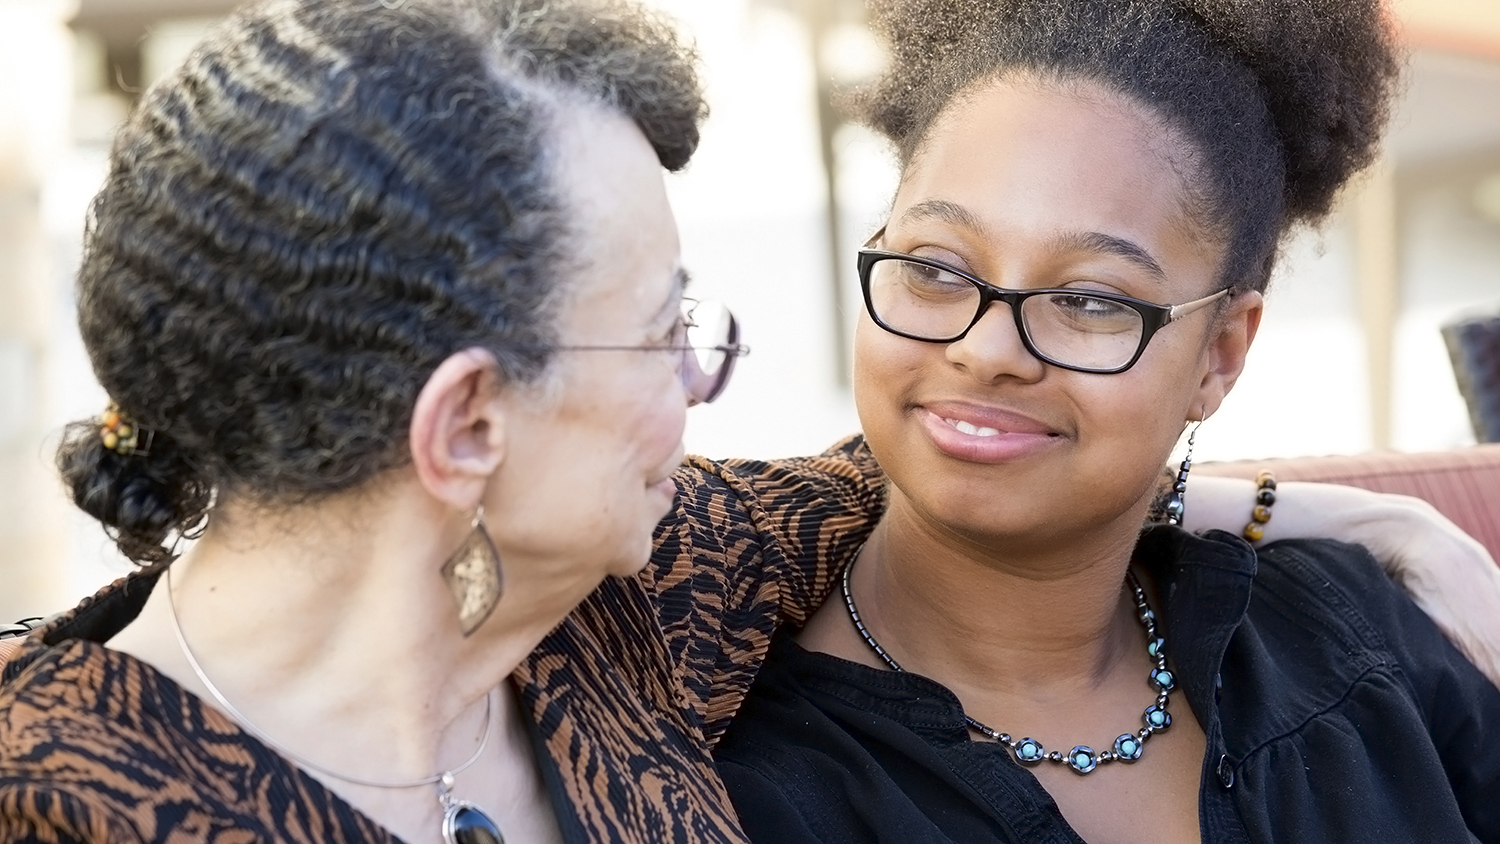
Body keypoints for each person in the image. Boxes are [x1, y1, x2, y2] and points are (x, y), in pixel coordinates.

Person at [0, 1, 1496, 844]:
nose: (706, 385)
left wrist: (1360, 514)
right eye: (667, 336)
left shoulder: (622, 619)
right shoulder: (60, 796)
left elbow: (984, 448)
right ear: (465, 430)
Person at [712, 0, 1500, 841]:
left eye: (1087, 299)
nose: (986, 351)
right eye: (936, 269)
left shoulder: (1357, 642)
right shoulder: (744, 786)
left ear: (1220, 354)